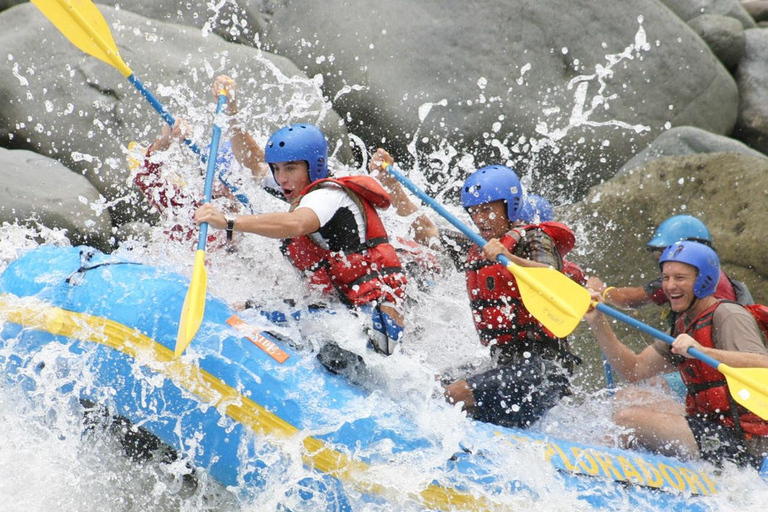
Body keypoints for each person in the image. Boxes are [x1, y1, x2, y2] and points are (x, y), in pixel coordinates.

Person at [193, 76, 408, 357]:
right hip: (342, 309)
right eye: (277, 169)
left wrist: (230, 222)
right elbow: (252, 160)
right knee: (243, 308)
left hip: (375, 321)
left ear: (314, 166)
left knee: (266, 321)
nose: (281, 178)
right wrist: (231, 110)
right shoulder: (296, 186)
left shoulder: (329, 195)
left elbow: (296, 224)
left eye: (290, 168)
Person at [370, 149, 578, 428]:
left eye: (488, 210)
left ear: (510, 207)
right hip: (501, 364)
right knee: (423, 382)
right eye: (475, 211)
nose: (480, 219)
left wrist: (510, 257)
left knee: (455, 394)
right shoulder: (478, 248)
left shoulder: (535, 239)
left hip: (542, 371)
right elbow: (424, 230)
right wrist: (392, 183)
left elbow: (552, 277)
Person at [585, 241, 768, 468]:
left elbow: (763, 364)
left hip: (740, 442)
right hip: (708, 424)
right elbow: (633, 370)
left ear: (704, 280)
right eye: (665, 278)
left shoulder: (728, 314)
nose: (669, 286)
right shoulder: (685, 323)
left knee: (628, 419)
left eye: (680, 278)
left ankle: (594, 469)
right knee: (627, 396)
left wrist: (703, 352)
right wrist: (598, 323)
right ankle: (600, 458)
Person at [588, 215, 753, 310]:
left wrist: (601, 290)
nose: (662, 258)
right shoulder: (712, 274)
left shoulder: (689, 282)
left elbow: (629, 299)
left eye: (666, 250)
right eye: (659, 252)